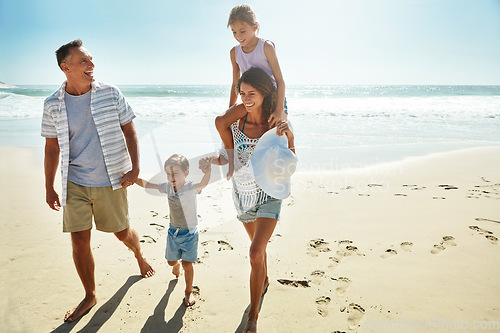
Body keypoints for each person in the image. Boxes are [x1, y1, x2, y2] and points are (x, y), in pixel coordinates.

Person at [42, 39, 155, 323]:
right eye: (84, 61)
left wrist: (135, 168)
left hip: (111, 179)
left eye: (91, 60)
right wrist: (49, 186)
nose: (91, 65)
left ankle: (138, 254)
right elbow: (52, 148)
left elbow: (129, 130)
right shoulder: (52, 104)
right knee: (79, 239)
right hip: (74, 181)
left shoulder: (110, 93)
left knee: (121, 232)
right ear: (65, 67)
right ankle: (90, 294)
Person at [210, 67, 296, 333]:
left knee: (255, 252)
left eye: (252, 93)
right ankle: (264, 279)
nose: (246, 98)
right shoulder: (236, 125)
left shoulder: (276, 124)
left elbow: (290, 161)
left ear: (264, 93)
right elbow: (219, 124)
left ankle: (253, 317)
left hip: (270, 194)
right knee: (258, 254)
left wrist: (290, 136)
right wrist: (245, 105)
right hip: (243, 194)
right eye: (242, 93)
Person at [215, 4, 287, 179]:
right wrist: (231, 108)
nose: (238, 36)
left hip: (272, 99)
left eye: (242, 31)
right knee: (221, 121)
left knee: (274, 137)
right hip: (249, 98)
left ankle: (273, 171)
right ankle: (231, 159)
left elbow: (280, 80)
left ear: (255, 27)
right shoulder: (234, 53)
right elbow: (235, 83)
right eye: (234, 32)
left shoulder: (266, 47)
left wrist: (279, 109)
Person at [135, 154, 212, 307]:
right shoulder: (167, 187)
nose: (171, 177)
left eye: (175, 173)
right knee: (171, 262)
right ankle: (176, 264)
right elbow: (148, 184)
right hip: (173, 232)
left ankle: (188, 291)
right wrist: (131, 178)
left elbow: (203, 184)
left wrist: (207, 172)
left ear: (186, 173)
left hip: (190, 233)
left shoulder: (190, 187)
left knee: (187, 265)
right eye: (168, 173)